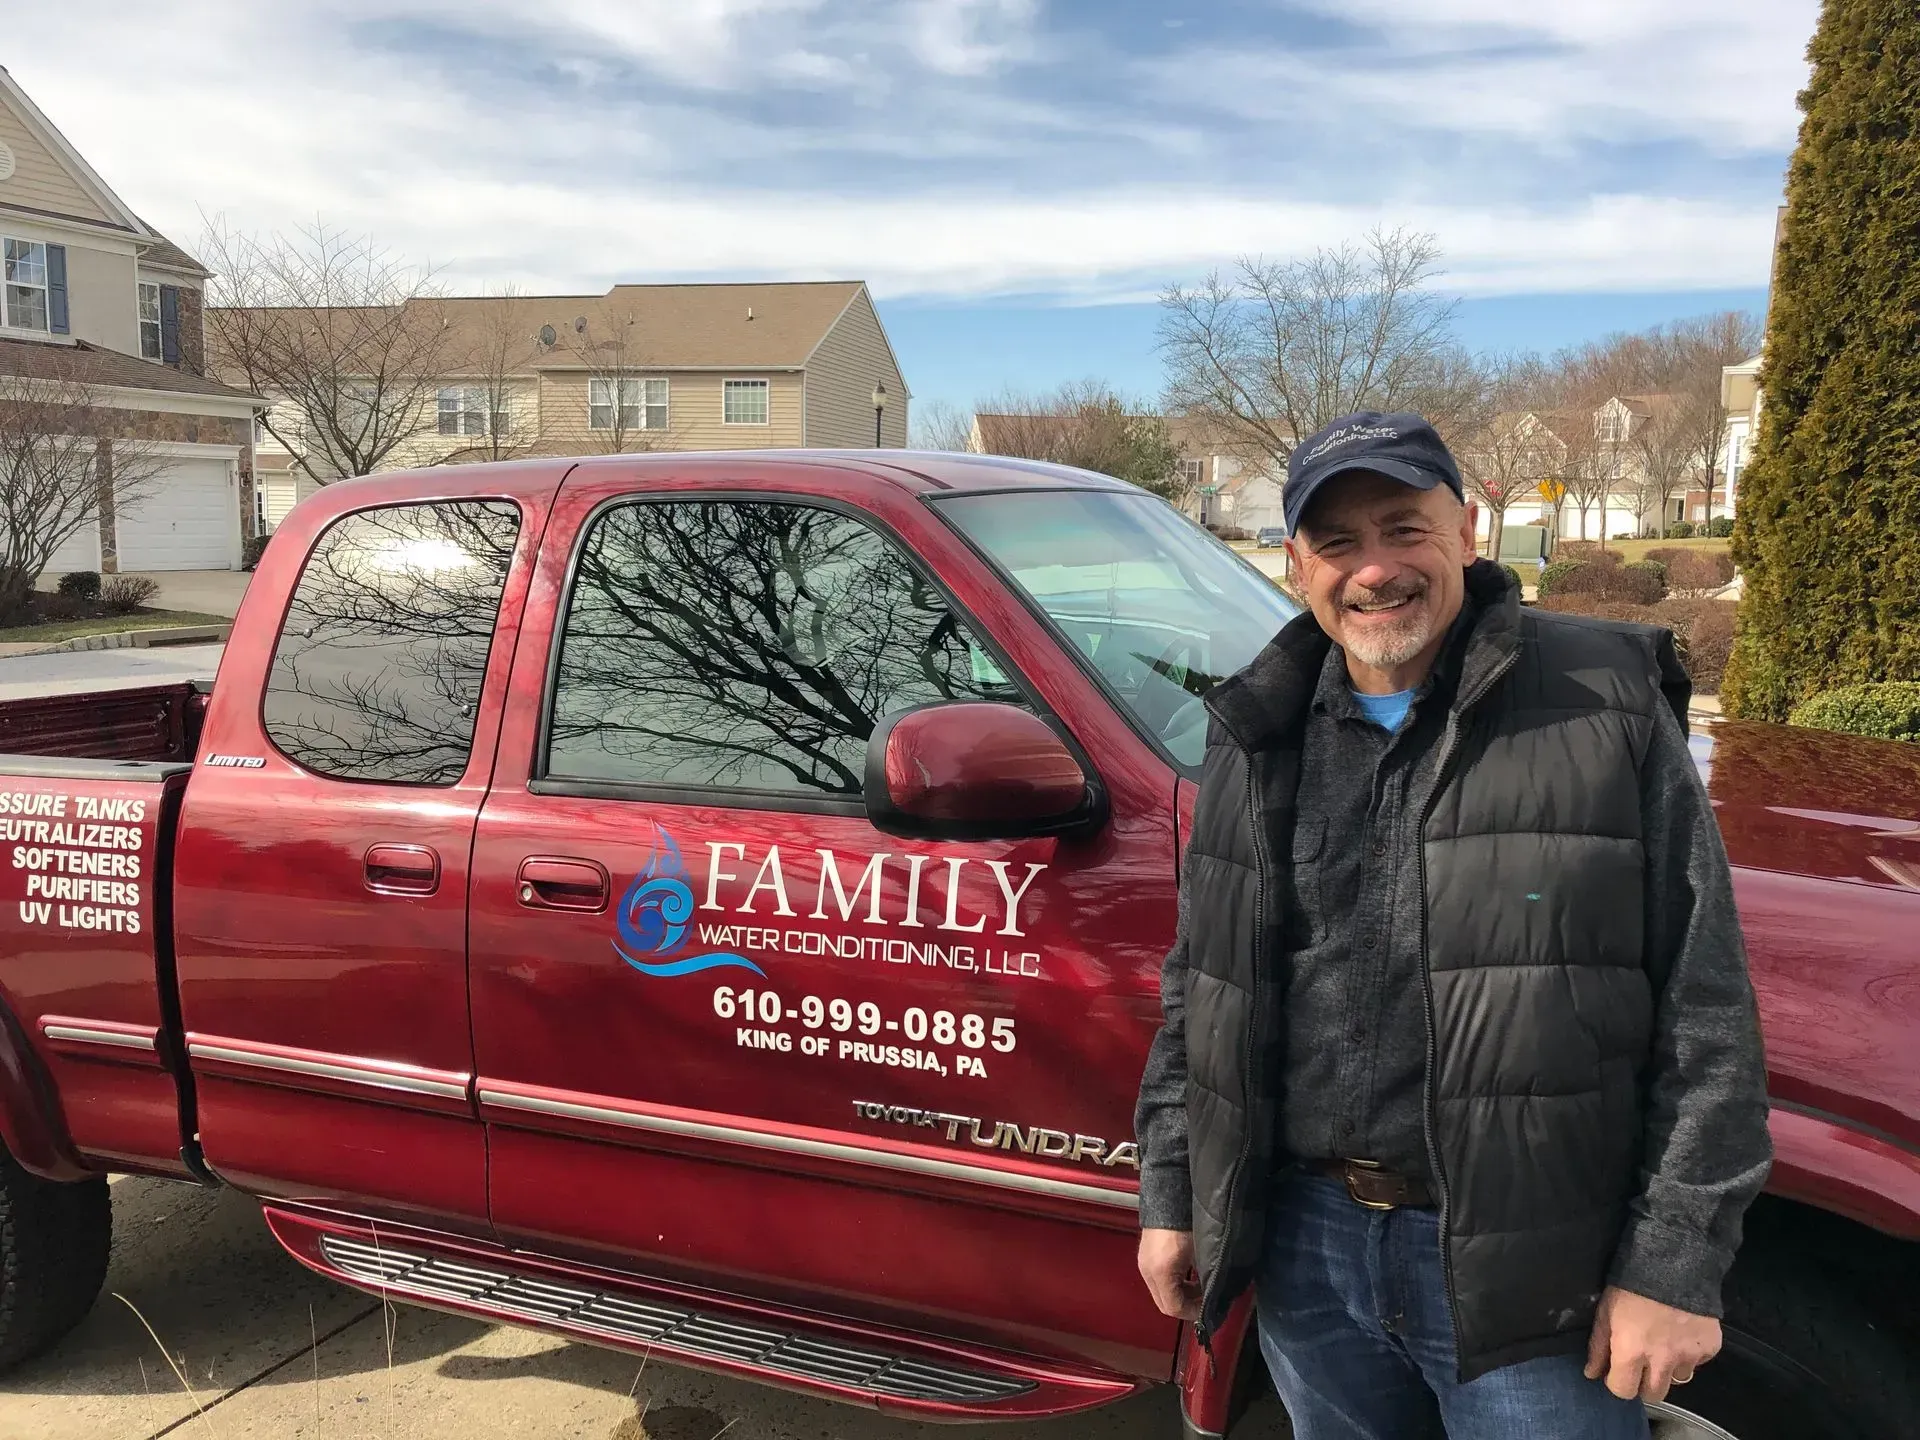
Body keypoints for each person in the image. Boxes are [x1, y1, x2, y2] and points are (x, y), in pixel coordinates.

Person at [1133, 411, 1773, 1439]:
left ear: (1468, 532)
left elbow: (1705, 1001)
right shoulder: (1259, 725)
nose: (1375, 570)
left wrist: (1674, 1261)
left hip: (1529, 1266)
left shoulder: (1599, 702)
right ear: (1298, 565)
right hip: (1308, 1246)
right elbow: (1200, 984)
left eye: (1404, 527)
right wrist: (1172, 1192)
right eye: (1338, 543)